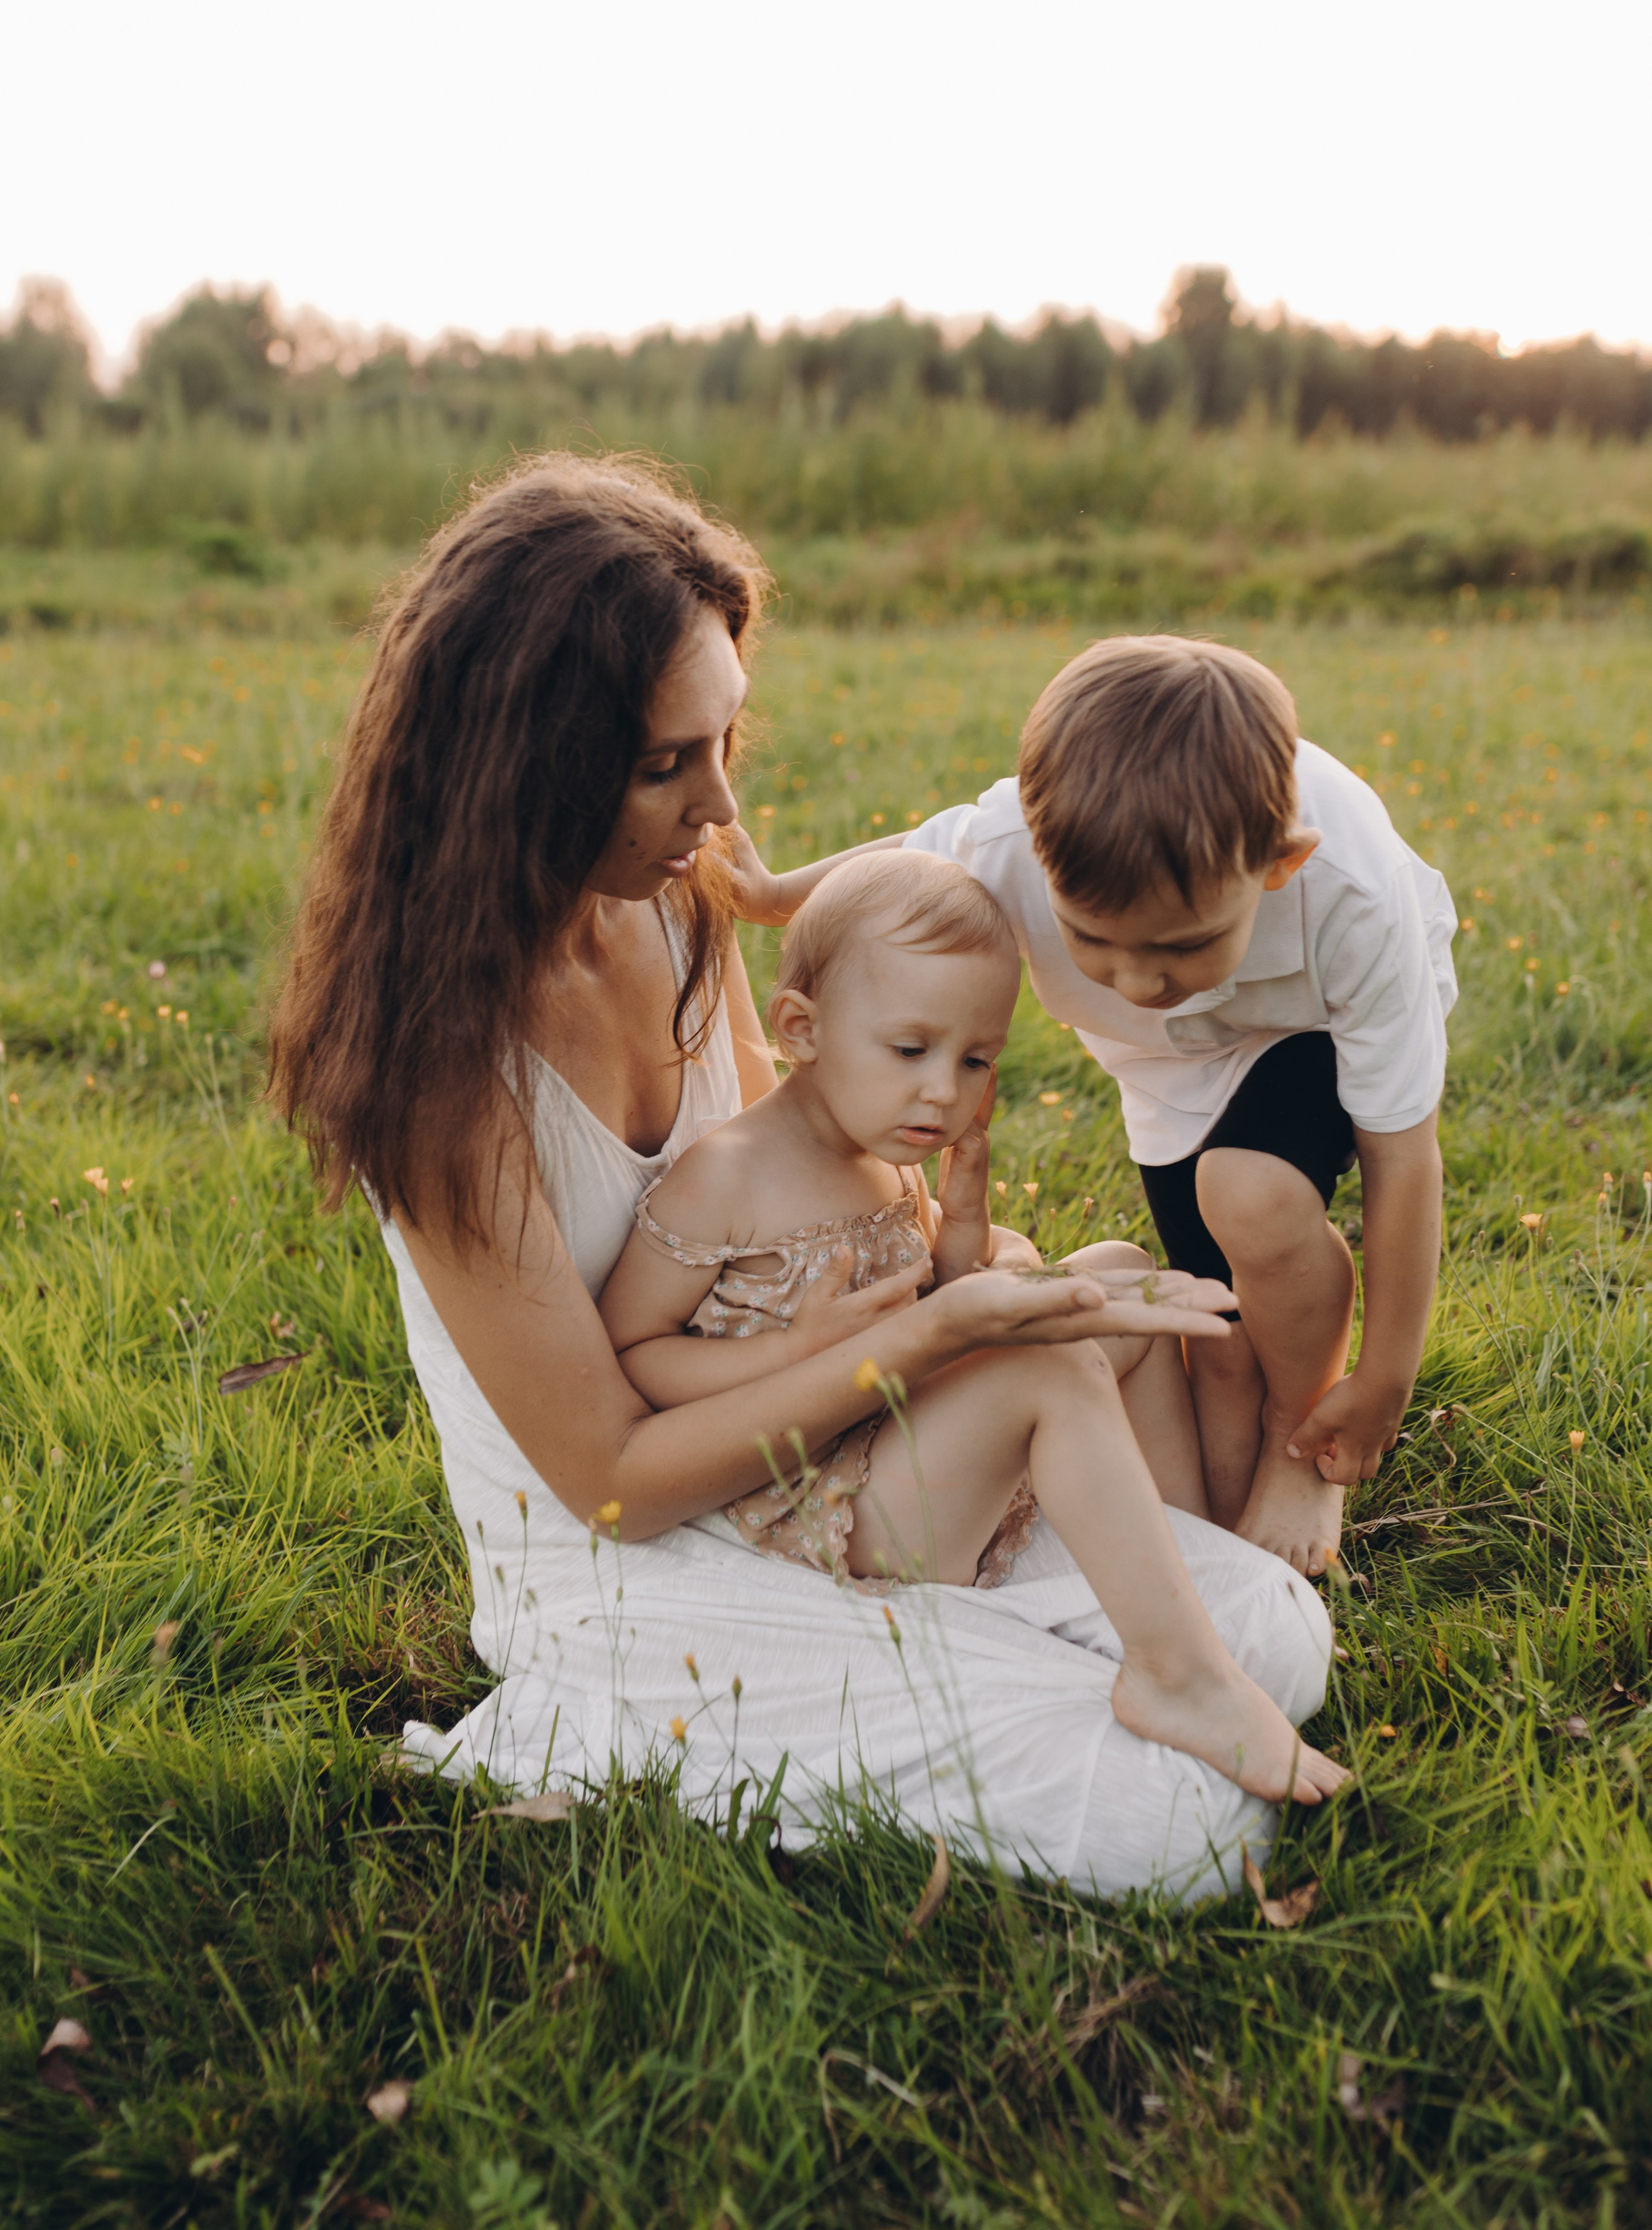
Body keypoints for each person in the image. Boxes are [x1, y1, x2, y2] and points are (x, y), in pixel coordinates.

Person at [268, 457, 1333, 1901]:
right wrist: (925, 1340)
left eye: (723, 742)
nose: (719, 811)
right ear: (521, 767)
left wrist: (965, 1265)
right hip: (634, 1567)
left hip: (826, 1465)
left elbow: (811, 1196)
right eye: (664, 766)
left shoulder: (673, 902)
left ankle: (1058, 1647)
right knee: (1194, 1831)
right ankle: (945, 1671)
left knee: (1277, 1631)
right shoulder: (444, 1075)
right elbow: (614, 1488)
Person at [599, 846, 1347, 1806]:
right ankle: (1180, 1676)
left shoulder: (879, 1140)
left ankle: (1176, 1553)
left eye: (977, 1059)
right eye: (911, 1050)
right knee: (1054, 1368)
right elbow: (633, 1354)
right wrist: (794, 1351)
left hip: (902, 1438)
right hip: (829, 1509)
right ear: (801, 1028)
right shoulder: (730, 1173)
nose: (945, 1092)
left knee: (1117, 1274)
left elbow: (925, 1316)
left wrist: (961, 1244)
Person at [736, 635, 1457, 1579]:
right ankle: (1248, 1455)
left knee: (1252, 1197)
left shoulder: (1356, 898)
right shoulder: (1010, 845)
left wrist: (1385, 1381)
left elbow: (1403, 1160)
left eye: (1185, 945)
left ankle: (1305, 1445)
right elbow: (904, 872)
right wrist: (773, 895)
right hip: (1166, 1078)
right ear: (1036, 859)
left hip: (1304, 1029)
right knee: (1223, 1338)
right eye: (1093, 943)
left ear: (1280, 865)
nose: (1137, 979)